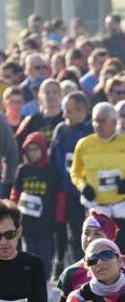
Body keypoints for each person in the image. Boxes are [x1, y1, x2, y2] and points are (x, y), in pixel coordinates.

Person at [47, 211, 119, 302]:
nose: (90, 238)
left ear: (110, 238)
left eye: (97, 233)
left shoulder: (122, 267)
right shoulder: (71, 273)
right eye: (86, 233)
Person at [10, 132, 66, 281]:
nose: (33, 153)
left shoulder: (52, 171)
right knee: (28, 254)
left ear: (43, 149)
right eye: (29, 150)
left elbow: (59, 197)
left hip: (46, 223)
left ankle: (46, 283)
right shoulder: (22, 170)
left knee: (45, 256)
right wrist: (13, 216)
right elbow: (15, 194)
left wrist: (58, 219)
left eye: (36, 149)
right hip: (26, 222)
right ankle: (30, 283)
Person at [70, 102, 125, 249]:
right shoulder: (83, 144)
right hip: (97, 209)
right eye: (95, 120)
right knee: (98, 251)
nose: (97, 124)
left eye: (102, 121)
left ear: (114, 122)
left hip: (121, 208)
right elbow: (75, 172)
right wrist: (83, 186)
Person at [49, 91, 93, 269]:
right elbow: (53, 156)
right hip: (65, 190)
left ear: (82, 111)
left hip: (88, 190)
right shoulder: (61, 129)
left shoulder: (90, 131)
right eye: (64, 110)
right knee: (71, 232)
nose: (64, 114)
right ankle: (74, 266)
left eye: (69, 111)